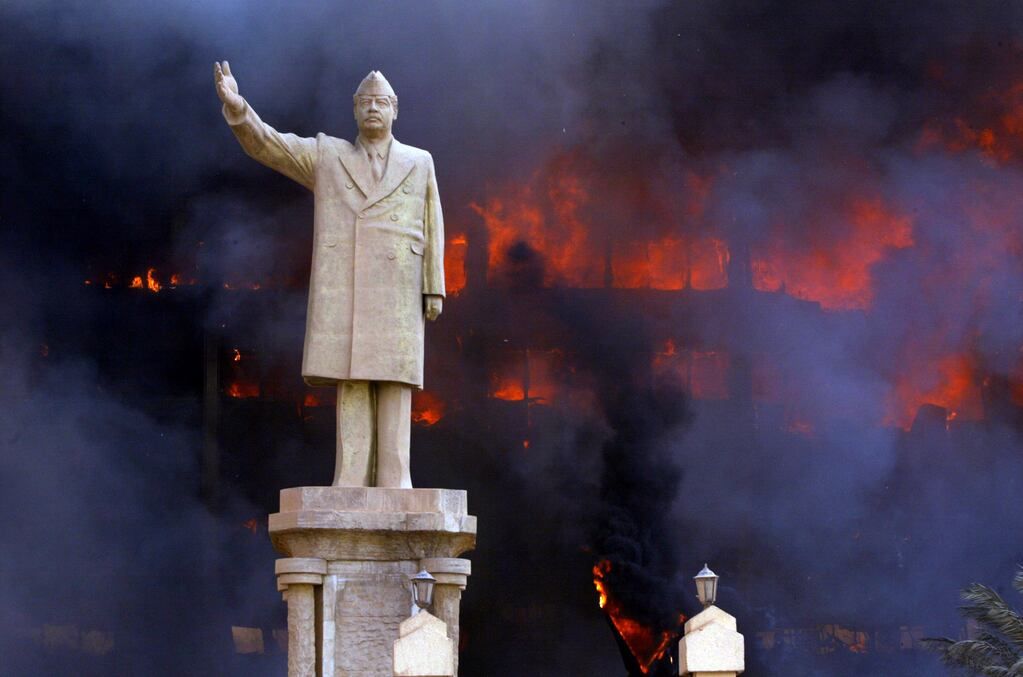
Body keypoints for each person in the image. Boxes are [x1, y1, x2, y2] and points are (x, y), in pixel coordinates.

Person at [214, 61, 444, 488]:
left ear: (395, 110)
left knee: (395, 379)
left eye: (381, 102)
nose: (373, 109)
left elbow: (433, 224)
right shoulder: (329, 155)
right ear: (354, 111)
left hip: (398, 288)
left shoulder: (419, 161)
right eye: (365, 103)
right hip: (350, 285)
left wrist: (434, 288)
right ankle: (351, 476)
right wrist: (238, 108)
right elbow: (271, 146)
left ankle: (397, 477)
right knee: (353, 379)